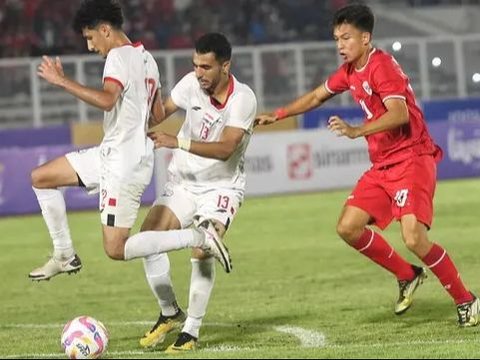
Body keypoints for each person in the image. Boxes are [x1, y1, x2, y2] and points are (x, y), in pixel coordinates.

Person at [256, 4, 479, 327]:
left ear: (365, 38)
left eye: (346, 38)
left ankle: (466, 300)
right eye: (336, 38)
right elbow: (317, 96)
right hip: (384, 165)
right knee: (348, 227)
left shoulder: (381, 66)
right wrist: (278, 114)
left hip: (412, 158)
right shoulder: (349, 71)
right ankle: (407, 274)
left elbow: (399, 114)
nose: (339, 45)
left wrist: (357, 130)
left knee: (414, 238)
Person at [121, 32, 257, 352]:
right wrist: (142, 89)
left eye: (206, 67)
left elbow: (226, 148)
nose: (199, 73)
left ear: (226, 66)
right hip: (183, 182)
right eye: (195, 65)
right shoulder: (190, 84)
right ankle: (169, 312)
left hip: (220, 188)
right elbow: (157, 116)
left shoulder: (243, 99)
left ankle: (191, 332)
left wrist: (176, 141)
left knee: (201, 250)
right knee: (148, 238)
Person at [28, 0, 161, 280]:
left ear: (105, 29)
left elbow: (107, 100)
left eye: (90, 38)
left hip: (122, 164)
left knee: (115, 248)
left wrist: (62, 81)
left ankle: (196, 238)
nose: (90, 46)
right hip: (114, 154)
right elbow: (157, 114)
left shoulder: (118, 57)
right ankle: (64, 255)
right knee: (41, 177)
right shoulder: (146, 58)